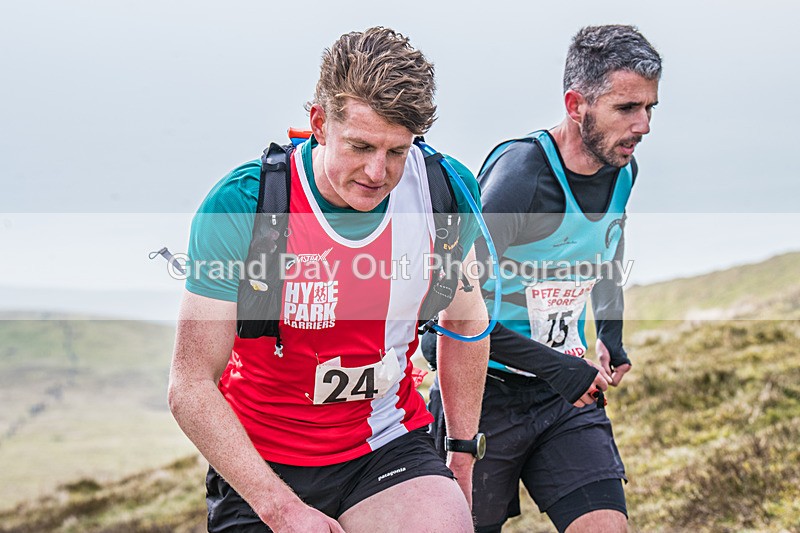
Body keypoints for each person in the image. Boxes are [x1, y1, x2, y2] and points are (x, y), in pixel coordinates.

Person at [168, 27, 489, 532]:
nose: (377, 172)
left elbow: (466, 320)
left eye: (398, 151)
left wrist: (461, 456)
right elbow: (189, 384)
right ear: (319, 123)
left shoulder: (443, 193)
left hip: (385, 444)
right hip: (264, 460)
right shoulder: (244, 204)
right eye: (360, 146)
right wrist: (283, 510)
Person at [427, 24, 662, 532]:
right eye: (626, 108)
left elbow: (607, 248)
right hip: (482, 395)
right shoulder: (521, 180)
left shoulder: (624, 168)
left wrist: (611, 335)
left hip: (563, 397)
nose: (643, 125)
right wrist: (558, 368)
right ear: (577, 104)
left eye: (649, 108)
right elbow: (445, 318)